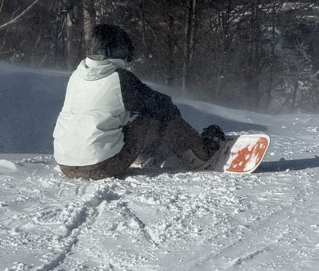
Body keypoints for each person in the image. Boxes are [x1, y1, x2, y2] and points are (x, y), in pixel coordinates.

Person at [54, 23, 226, 179]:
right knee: (158, 118)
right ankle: (204, 154)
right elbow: (161, 105)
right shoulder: (119, 78)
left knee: (120, 119)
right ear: (117, 50)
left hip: (66, 165)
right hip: (101, 165)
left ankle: (150, 152)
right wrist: (176, 123)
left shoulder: (77, 76)